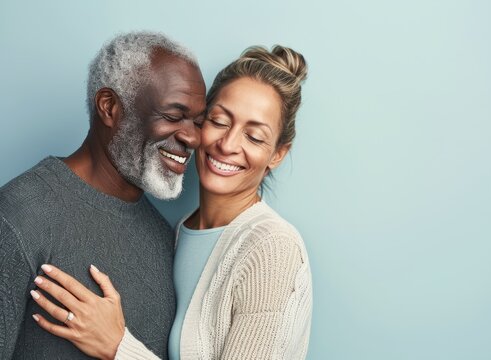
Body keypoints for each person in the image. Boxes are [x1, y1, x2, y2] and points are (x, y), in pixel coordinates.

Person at [31, 45, 312, 359]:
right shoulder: (180, 233)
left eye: (255, 137)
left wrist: (118, 347)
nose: (228, 144)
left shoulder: (272, 248)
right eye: (219, 121)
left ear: (277, 154)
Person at [0, 31, 206, 359]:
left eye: (198, 121)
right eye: (172, 116)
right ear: (109, 107)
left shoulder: (166, 238)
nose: (193, 138)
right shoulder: (19, 215)